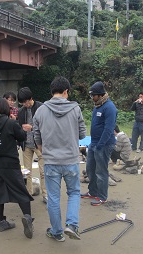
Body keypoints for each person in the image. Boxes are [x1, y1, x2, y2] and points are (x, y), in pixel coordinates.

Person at [33, 76, 86, 242]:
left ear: (52, 92)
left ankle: (57, 232)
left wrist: (45, 151)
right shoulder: (75, 109)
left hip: (50, 162)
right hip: (71, 160)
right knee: (74, 193)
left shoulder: (40, 110)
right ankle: (71, 225)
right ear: (66, 91)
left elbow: (37, 137)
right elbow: (83, 134)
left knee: (54, 198)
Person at [0, 97, 34, 239]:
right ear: (6, 109)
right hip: (10, 163)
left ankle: (1, 222)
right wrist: (16, 122)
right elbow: (22, 137)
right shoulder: (10, 123)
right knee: (20, 190)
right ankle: (27, 217)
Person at [81, 81, 118, 206]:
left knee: (101, 171)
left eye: (93, 95)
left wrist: (100, 145)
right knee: (90, 168)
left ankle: (102, 196)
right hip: (94, 143)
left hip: (104, 145)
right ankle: (93, 192)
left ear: (100, 95)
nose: (92, 98)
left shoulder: (109, 107)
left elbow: (109, 129)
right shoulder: (98, 105)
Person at [17, 87, 48, 204]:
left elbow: (47, 126)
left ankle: (45, 194)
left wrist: (32, 128)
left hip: (40, 144)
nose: (25, 104)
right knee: (27, 172)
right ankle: (28, 194)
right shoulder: (21, 111)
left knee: (43, 171)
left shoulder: (41, 108)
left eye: (26, 101)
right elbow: (19, 130)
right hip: (26, 145)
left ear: (31, 98)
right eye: (22, 103)